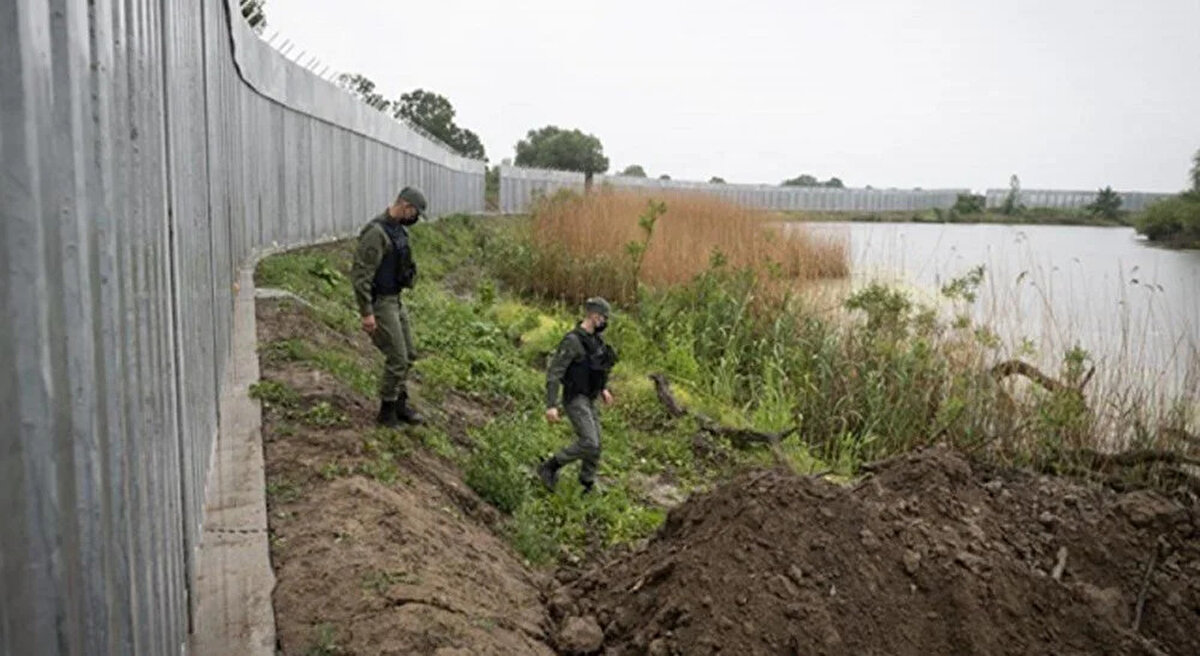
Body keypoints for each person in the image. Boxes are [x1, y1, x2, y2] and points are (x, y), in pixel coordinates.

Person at [351, 187, 427, 427]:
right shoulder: (376, 233)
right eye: (414, 212)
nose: (414, 218)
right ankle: (386, 411)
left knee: (409, 355)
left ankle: (400, 404)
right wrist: (367, 313)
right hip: (381, 303)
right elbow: (361, 276)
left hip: (395, 299)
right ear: (405, 205)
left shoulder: (398, 231)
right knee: (397, 357)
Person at [538, 297, 619, 494]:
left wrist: (604, 389)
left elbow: (597, 369)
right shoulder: (573, 341)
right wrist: (551, 404)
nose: (605, 322)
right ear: (592, 315)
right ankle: (551, 466)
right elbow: (555, 373)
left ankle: (587, 482)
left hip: (590, 397)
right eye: (602, 318)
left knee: (597, 444)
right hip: (575, 398)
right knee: (590, 442)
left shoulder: (596, 342)